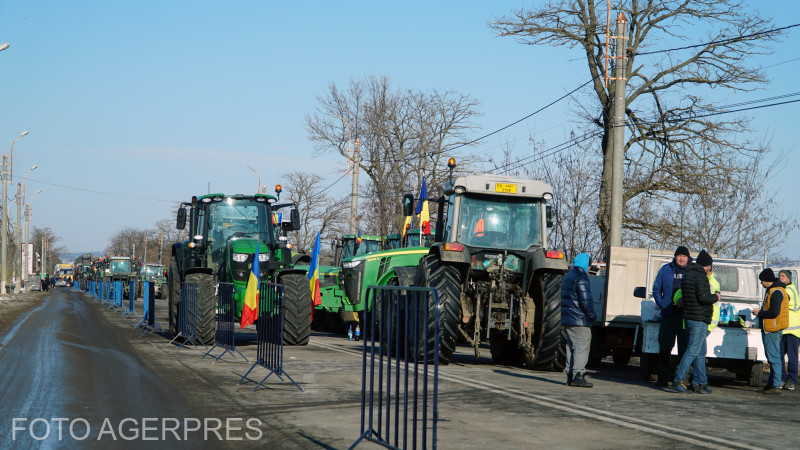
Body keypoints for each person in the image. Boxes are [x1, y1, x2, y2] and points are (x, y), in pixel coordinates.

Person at [669, 250, 720, 393]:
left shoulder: (687, 275)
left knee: (700, 352)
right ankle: (678, 379)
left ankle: (701, 382)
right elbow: (704, 298)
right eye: (709, 267)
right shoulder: (701, 277)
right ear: (707, 266)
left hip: (690, 318)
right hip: (699, 319)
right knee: (692, 351)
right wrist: (716, 297)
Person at [652, 246, 691, 386]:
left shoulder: (692, 271)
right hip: (668, 314)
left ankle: (681, 380)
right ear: (675, 257)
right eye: (679, 255)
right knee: (664, 347)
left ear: (688, 258)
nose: (681, 258)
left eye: (684, 256)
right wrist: (662, 303)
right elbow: (656, 289)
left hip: (686, 316)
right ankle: (662, 378)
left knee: (684, 349)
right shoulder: (666, 269)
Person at [561, 253, 598, 388]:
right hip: (579, 320)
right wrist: (592, 316)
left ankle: (570, 375)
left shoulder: (568, 276)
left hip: (567, 319)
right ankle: (578, 375)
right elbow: (585, 300)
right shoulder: (581, 278)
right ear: (585, 264)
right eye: (589, 266)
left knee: (571, 347)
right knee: (582, 346)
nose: (589, 269)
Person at [753, 268, 789, 394]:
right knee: (773, 357)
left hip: (772, 329)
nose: (761, 284)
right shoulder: (775, 290)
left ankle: (775, 385)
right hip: (772, 328)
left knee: (774, 357)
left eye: (761, 281)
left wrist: (760, 313)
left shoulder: (776, 292)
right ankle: (771, 384)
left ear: (765, 280)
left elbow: (774, 312)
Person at [779, 270, 799, 390]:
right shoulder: (784, 289)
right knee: (779, 355)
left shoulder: (789, 290)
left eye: (783, 276)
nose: (780, 278)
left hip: (792, 331)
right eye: (779, 276)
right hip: (783, 329)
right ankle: (782, 378)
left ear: (789, 278)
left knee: (792, 357)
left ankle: (791, 380)